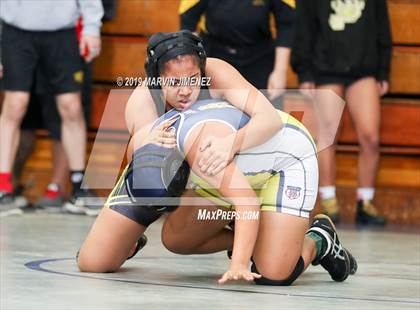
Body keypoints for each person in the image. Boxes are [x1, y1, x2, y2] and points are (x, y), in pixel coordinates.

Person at [77, 31, 357, 285]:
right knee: (110, 257)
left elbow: (268, 119)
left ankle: (319, 239)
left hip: (276, 161)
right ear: (156, 79)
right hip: (213, 170)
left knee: (273, 273)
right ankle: (256, 235)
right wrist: (144, 145)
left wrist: (231, 143)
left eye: (192, 80)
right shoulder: (143, 100)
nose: (185, 90)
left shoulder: (215, 86)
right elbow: (135, 155)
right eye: (174, 82)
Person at [291, 0, 391, 225]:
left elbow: (382, 28)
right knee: (327, 136)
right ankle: (328, 200)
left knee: (371, 137)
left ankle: (365, 201)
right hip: (326, 69)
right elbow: (304, 27)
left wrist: (383, 71)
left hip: (363, 69)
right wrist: (304, 72)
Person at [0, 0, 104, 215]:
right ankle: (3, 188)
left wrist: (91, 28)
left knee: (71, 107)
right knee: (14, 105)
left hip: (63, 32)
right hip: (15, 32)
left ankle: (78, 189)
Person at [179, 0, 295, 100]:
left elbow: (287, 24)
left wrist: (280, 71)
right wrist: (192, 71)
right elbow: (188, 23)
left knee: (269, 115)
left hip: (260, 58)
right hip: (216, 55)